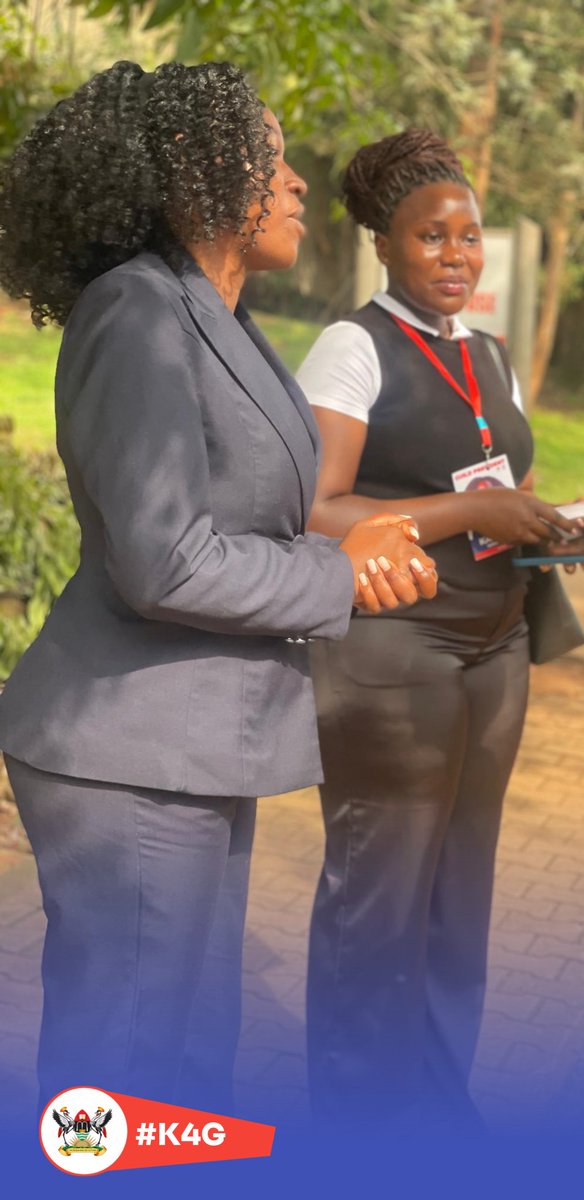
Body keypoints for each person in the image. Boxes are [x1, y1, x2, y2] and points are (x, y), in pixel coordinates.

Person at [0, 60, 436, 1115]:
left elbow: (258, 512)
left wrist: (358, 543)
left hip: (195, 745)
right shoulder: (135, 311)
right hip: (128, 750)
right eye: (273, 160)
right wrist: (339, 570)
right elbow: (164, 556)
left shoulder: (224, 320)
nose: (294, 185)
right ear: (201, 177)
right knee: (133, 1069)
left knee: (191, 1058)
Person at [296, 129, 584, 1127]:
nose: (458, 255)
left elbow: (495, 480)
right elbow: (316, 507)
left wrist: (541, 521)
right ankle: (353, 1118)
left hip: (495, 643)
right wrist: (470, 514)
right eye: (434, 237)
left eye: (470, 237)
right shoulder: (354, 346)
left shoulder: (489, 354)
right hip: (394, 649)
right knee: (381, 889)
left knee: (461, 885)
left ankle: (437, 1107)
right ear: (386, 243)